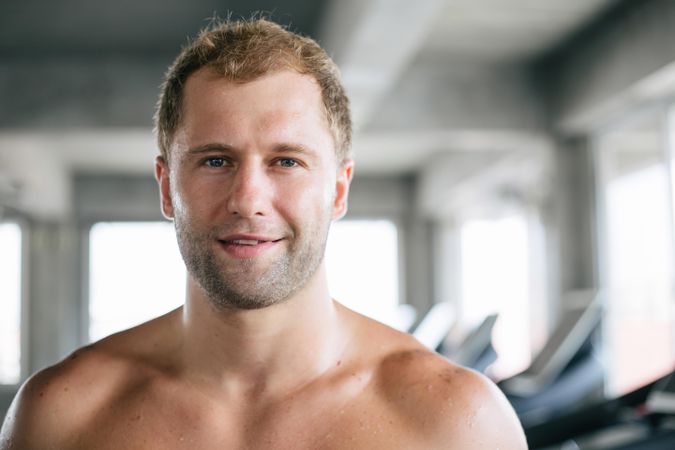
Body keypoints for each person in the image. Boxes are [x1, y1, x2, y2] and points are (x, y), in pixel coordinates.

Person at [0, 19, 527, 449]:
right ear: (166, 187)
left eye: (287, 161)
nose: (248, 199)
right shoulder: (61, 418)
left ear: (339, 190)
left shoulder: (458, 423)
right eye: (214, 160)